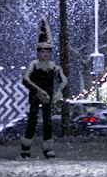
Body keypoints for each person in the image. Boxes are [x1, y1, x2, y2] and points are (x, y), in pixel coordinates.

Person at [20, 19, 70, 159]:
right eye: (43, 52)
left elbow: (64, 80)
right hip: (36, 97)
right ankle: (26, 146)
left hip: (47, 98)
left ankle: (48, 147)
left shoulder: (53, 67)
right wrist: (38, 90)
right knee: (32, 120)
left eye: (48, 52)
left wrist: (59, 91)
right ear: (38, 52)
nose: (45, 55)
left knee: (48, 122)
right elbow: (25, 79)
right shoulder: (34, 65)